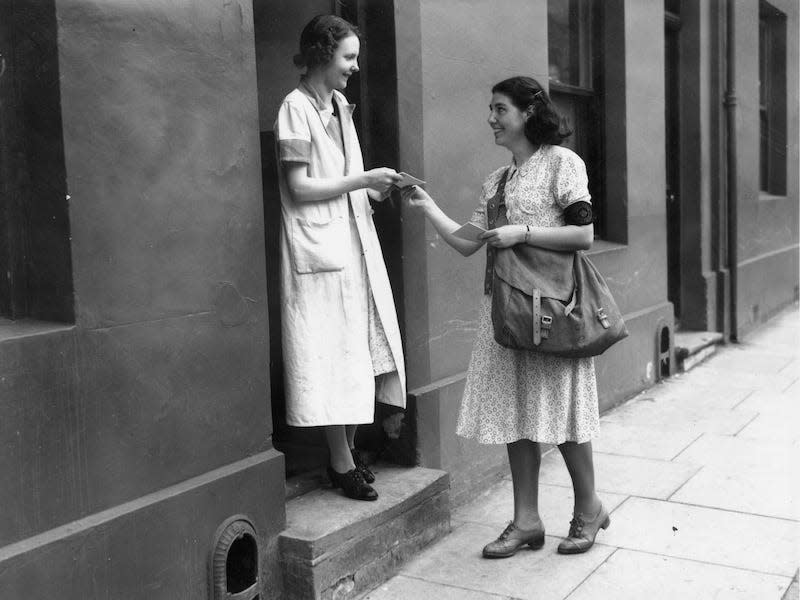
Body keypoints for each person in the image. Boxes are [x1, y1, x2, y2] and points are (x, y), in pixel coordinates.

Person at [403, 76, 608, 555]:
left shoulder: (563, 164)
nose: (491, 118)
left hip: (555, 311)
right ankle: (527, 520)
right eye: (491, 109)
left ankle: (589, 509)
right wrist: (428, 206)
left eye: (500, 109)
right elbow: (467, 244)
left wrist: (523, 232)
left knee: (562, 415)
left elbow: (584, 236)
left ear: (528, 113)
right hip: (507, 314)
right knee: (516, 414)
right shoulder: (497, 181)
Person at [274, 14, 406, 501]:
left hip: (352, 246)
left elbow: (345, 182)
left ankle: (346, 453)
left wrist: (378, 189)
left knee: (355, 354)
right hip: (318, 253)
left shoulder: (339, 107)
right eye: (348, 57)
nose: (354, 67)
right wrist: (362, 180)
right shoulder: (295, 108)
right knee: (328, 354)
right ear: (322, 54)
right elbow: (299, 185)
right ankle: (340, 462)